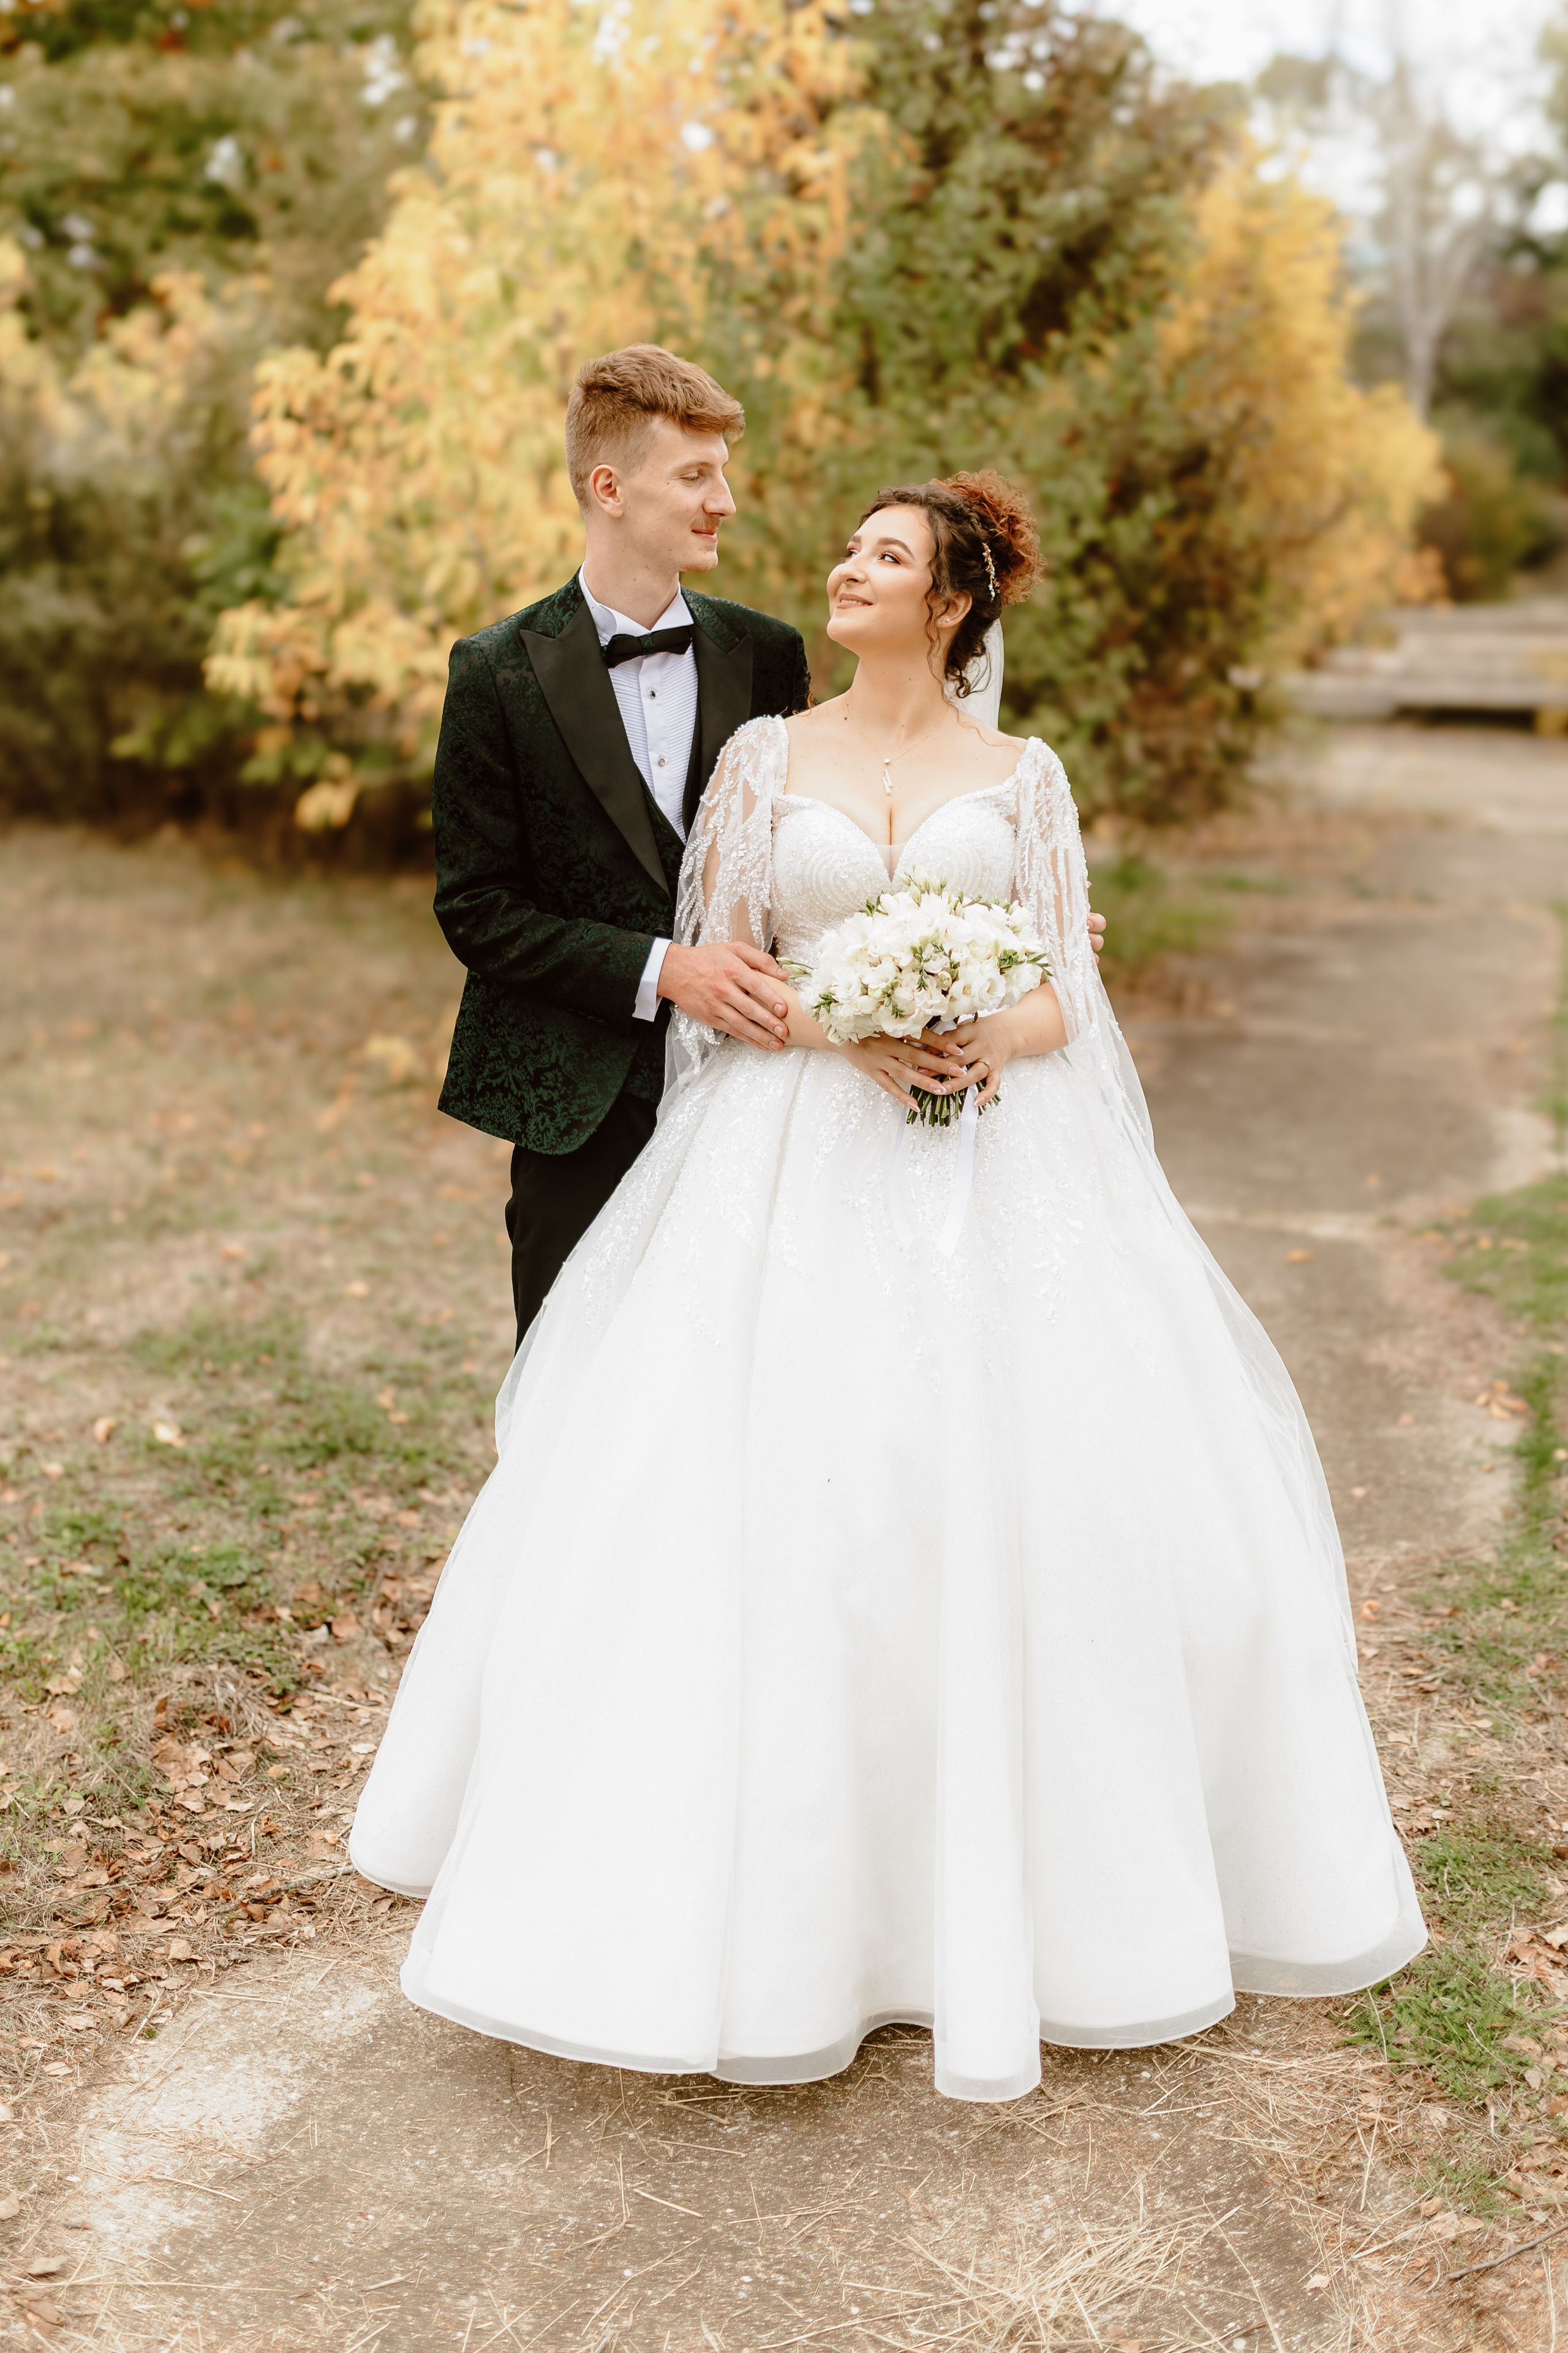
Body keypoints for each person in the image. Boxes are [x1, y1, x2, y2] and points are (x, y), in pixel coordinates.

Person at [353, 469, 1423, 2104]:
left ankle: (1021, 1901)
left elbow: (1068, 985)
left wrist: (979, 1030)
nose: (844, 571)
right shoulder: (762, 759)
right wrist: (852, 1031)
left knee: (1019, 1507)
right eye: (849, 548)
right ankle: (767, 1912)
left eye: (886, 557)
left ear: (955, 606)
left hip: (1002, 1162)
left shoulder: (1028, 775)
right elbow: (721, 977)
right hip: (789, 1152)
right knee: (774, 1513)